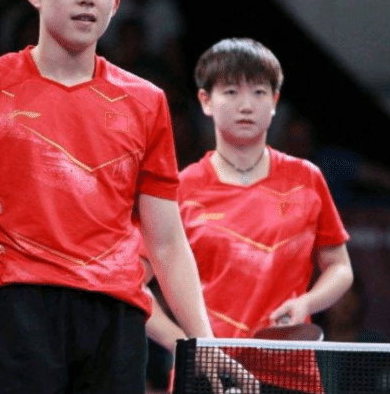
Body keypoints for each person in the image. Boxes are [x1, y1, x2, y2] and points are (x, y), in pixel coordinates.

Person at [0, 0, 221, 394]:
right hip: (21, 311)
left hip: (117, 319)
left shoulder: (147, 102)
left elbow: (167, 240)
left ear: (116, 3)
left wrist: (205, 340)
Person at [144, 38, 354, 393]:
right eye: (230, 92)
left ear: (274, 103)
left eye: (259, 92)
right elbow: (132, 283)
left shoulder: (306, 180)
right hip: (207, 373)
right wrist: (182, 343)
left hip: (290, 374)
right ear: (205, 101)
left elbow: (340, 266)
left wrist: (307, 302)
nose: (246, 105)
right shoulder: (180, 189)